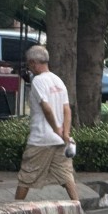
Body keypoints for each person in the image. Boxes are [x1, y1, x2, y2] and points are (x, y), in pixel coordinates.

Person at [14, 45, 77, 202]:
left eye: (29, 64)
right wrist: (65, 133)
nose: (29, 68)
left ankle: (14, 209)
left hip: (41, 138)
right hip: (60, 140)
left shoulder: (38, 81)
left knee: (27, 175)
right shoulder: (58, 80)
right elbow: (67, 109)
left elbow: (46, 108)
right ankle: (77, 205)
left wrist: (56, 129)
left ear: (34, 62)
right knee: (66, 174)